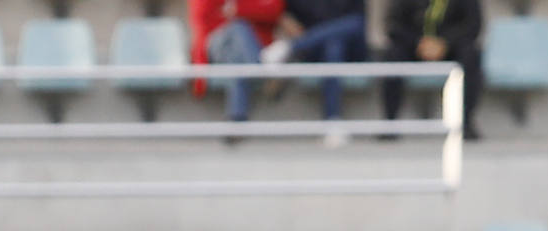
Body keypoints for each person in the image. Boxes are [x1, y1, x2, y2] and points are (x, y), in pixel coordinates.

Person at [259, 0, 370, 144]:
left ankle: (290, 47)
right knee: (333, 47)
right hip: (318, 50)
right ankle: (332, 121)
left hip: (353, 49)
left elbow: (358, 22)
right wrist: (286, 20)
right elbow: (283, 13)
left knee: (354, 23)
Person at [380, 0, 484, 141]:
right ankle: (390, 123)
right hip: (414, 47)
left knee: (471, 55)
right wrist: (419, 43)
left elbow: (472, 25)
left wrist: (445, 43)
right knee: (392, 54)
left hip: (451, 48)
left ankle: (465, 122)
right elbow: (393, 24)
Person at [190, 0, 286, 125]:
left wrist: (238, 10)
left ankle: (236, 119)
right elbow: (201, 28)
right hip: (218, 46)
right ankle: (262, 70)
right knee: (239, 26)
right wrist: (200, 74)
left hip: (244, 53)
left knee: (238, 61)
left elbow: (273, 11)